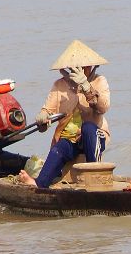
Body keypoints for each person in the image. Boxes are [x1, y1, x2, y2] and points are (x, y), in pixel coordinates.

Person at [19, 40, 112, 188]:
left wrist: (87, 88)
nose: (81, 70)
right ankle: (38, 184)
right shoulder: (60, 85)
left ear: (90, 66)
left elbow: (103, 107)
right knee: (59, 147)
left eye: (84, 67)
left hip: (94, 135)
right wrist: (42, 117)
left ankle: (93, 176)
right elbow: (47, 111)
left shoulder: (99, 81)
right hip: (70, 139)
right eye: (76, 67)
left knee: (88, 128)